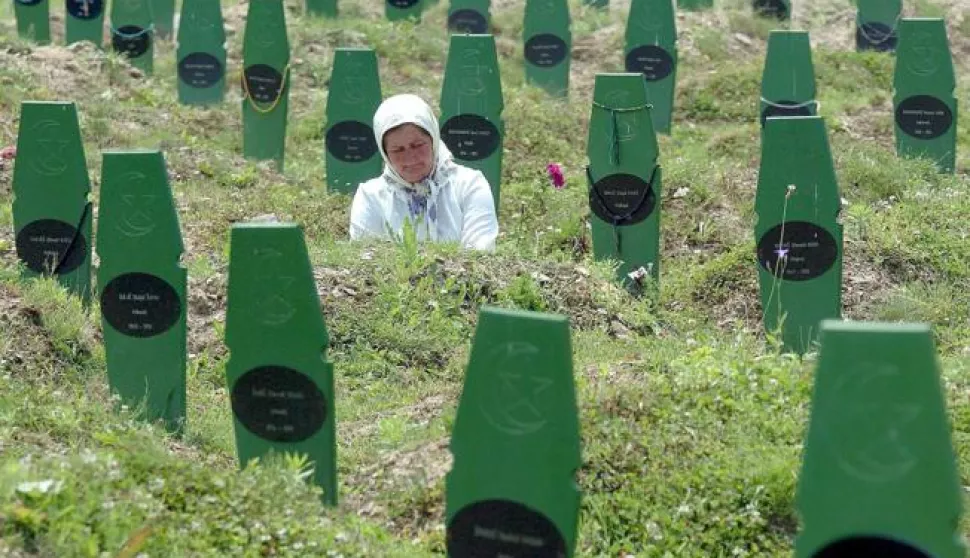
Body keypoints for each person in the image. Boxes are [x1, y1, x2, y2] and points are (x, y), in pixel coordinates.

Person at [349, 94, 499, 251]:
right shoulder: (370, 196)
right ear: (385, 153)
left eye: (418, 145)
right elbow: (365, 258)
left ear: (433, 139)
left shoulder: (470, 185)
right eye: (397, 150)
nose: (410, 158)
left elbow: (479, 253)